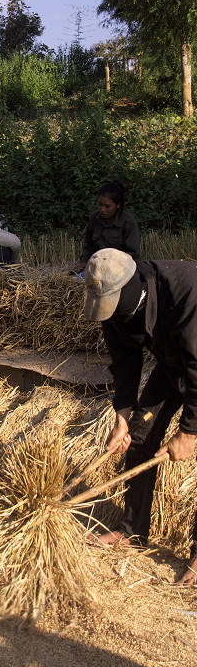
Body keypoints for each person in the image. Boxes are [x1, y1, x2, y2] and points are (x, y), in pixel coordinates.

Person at [83, 248, 197, 585]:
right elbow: (125, 362)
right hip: (174, 363)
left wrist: (189, 431)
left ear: (130, 289)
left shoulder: (186, 289)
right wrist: (121, 417)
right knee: (139, 437)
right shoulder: (117, 311)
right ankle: (132, 531)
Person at [76, 181, 140, 273]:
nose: (102, 209)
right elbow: (89, 245)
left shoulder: (128, 222)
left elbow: (133, 255)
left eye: (107, 206)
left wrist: (111, 266)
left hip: (120, 270)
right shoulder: (94, 218)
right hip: (97, 268)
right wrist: (84, 262)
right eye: (100, 204)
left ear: (118, 205)